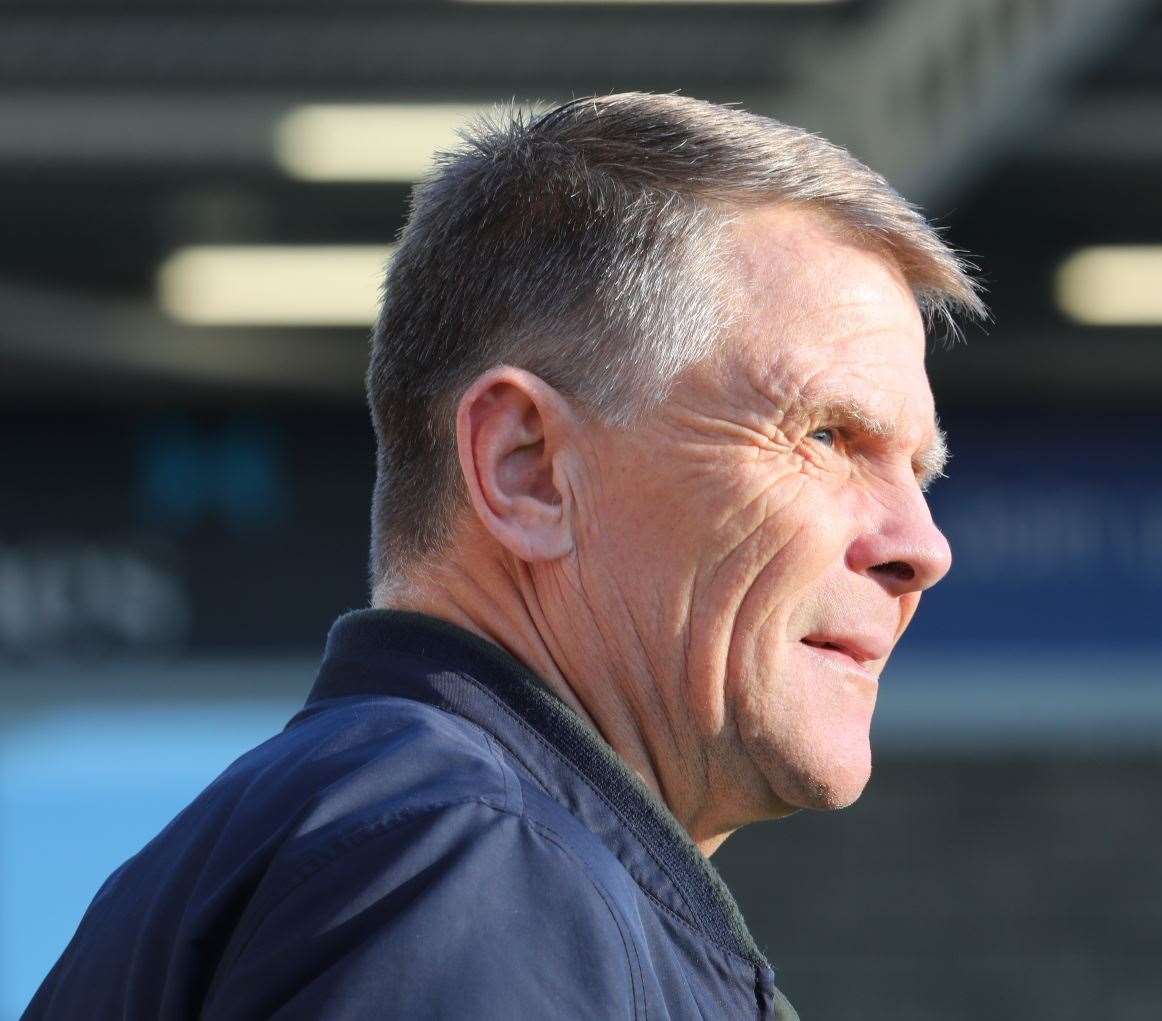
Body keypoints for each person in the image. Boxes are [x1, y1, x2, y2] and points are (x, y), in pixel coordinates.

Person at [26, 93, 983, 1020]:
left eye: (918, 471)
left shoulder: (406, 841)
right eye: (824, 436)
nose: (920, 547)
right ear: (526, 468)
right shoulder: (469, 862)